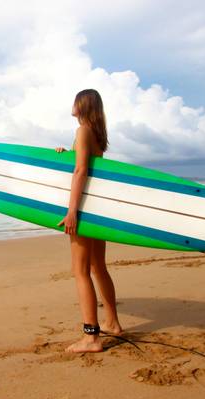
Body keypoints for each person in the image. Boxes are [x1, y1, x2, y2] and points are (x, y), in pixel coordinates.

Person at [56, 89, 123, 353]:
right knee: (98, 268)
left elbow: (81, 170)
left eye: (75, 100)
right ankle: (113, 323)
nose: (71, 104)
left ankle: (91, 337)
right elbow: (82, 164)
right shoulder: (94, 134)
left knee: (80, 271)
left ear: (82, 104)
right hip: (97, 209)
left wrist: (72, 211)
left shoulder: (82, 131)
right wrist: (64, 154)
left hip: (83, 209)